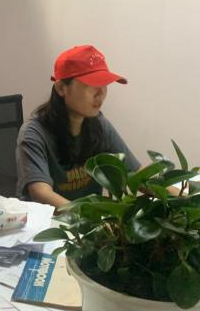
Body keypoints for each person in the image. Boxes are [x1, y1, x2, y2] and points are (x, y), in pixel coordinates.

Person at [16, 45, 140, 208]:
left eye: (104, 84)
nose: (101, 93)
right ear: (62, 88)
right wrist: (90, 217)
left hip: (86, 220)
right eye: (92, 84)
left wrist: (173, 195)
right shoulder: (34, 132)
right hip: (47, 221)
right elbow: (41, 193)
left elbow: (138, 174)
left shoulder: (99, 125)